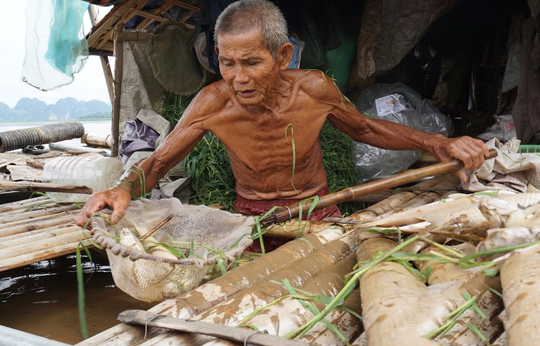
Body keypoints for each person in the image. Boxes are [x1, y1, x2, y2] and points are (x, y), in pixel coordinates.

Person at [75, 0, 489, 228]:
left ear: (284, 55)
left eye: (251, 62)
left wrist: (437, 142)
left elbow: (365, 128)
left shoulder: (314, 89)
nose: (238, 78)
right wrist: (125, 188)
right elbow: (159, 160)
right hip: (251, 217)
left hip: (319, 208)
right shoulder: (212, 103)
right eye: (228, 63)